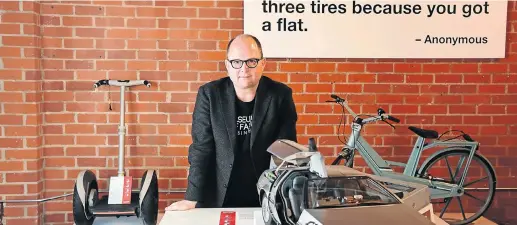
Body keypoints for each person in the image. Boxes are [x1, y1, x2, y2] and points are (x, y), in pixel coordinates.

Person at [165, 34, 298, 210]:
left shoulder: (280, 95)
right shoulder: (209, 95)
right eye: (236, 62)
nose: (244, 69)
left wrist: (285, 198)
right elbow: (201, 148)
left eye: (251, 61)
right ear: (227, 65)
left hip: (265, 193)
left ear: (263, 63)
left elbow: (285, 151)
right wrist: (191, 198)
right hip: (219, 194)